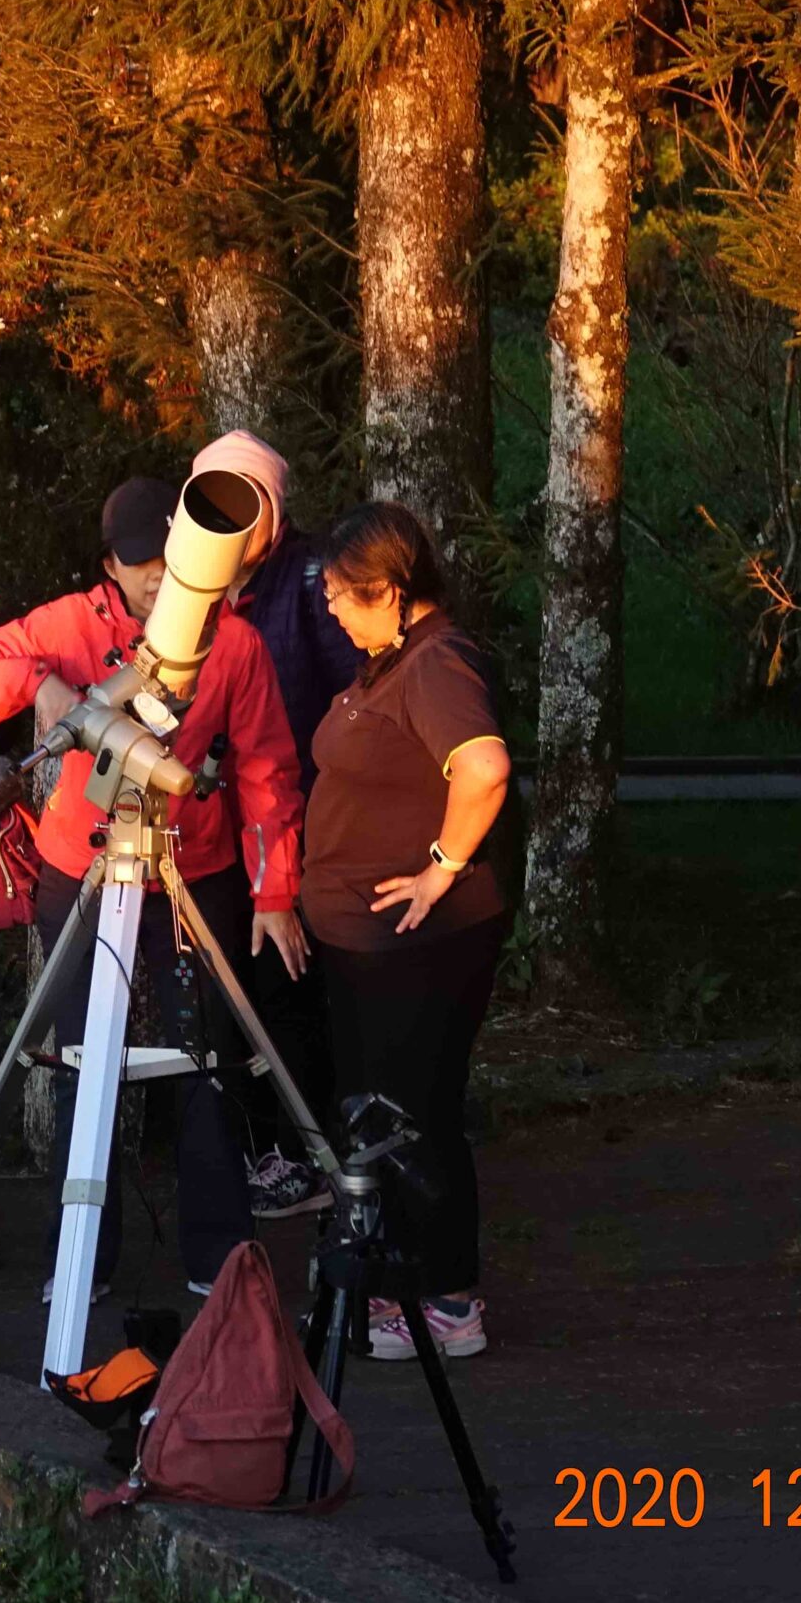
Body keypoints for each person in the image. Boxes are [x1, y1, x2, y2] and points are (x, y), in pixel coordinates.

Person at [0, 474, 306, 1301]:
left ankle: (218, 1255)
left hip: (193, 866)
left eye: (163, 563)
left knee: (208, 1058)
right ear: (109, 564)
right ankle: (80, 1255)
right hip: (87, 861)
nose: (153, 579)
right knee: (83, 1058)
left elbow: (268, 770)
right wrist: (41, 687)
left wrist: (275, 886)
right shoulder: (70, 625)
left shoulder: (234, 645)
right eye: (137, 565)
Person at [301, 501, 511, 1362]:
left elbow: (485, 766)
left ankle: (444, 1298)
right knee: (383, 1108)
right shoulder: (394, 659)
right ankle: (395, 1282)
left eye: (346, 598)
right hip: (368, 944)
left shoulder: (436, 663)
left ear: (392, 590)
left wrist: (442, 865)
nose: (333, 611)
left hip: (417, 944)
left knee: (412, 1110)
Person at [205, 430, 359, 1221]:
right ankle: (254, 1148)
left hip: (291, 822)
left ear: (273, 507)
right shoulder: (197, 587)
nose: (229, 521)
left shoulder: (307, 581)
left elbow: (353, 695)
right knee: (233, 990)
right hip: (210, 831)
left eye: (245, 499)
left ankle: (302, 1154)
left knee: (285, 987)